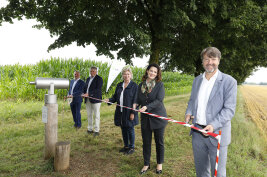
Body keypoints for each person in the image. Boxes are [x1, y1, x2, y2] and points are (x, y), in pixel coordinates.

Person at [185, 47, 237, 177]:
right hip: (197, 133)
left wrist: (213, 125)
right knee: (201, 171)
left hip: (218, 134)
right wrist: (189, 111)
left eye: (213, 59)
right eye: (207, 59)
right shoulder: (197, 80)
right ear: (202, 61)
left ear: (219, 61)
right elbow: (192, 100)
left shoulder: (229, 81)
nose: (210, 62)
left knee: (218, 173)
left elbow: (229, 109)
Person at [134, 63, 168, 175]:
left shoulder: (159, 85)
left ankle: (159, 163)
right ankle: (146, 164)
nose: (153, 73)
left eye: (155, 72)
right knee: (146, 142)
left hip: (158, 118)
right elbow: (138, 99)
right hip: (145, 119)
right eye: (151, 71)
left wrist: (147, 107)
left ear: (157, 74)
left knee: (159, 142)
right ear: (147, 71)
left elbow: (159, 100)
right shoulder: (141, 85)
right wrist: (136, 104)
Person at [104, 67, 139, 155]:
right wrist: (109, 100)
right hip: (120, 111)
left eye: (128, 74)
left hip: (129, 111)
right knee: (123, 128)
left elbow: (136, 100)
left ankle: (132, 147)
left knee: (130, 129)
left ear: (131, 75)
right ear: (122, 75)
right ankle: (126, 146)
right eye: (125, 74)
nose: (126, 76)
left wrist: (133, 112)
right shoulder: (119, 85)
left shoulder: (134, 86)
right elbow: (115, 97)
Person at [82, 66, 103, 137]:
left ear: (96, 72)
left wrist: (89, 94)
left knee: (96, 115)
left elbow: (98, 89)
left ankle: (97, 130)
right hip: (87, 99)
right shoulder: (88, 79)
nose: (92, 72)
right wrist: (83, 93)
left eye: (93, 71)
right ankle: (90, 129)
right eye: (91, 71)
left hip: (96, 99)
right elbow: (85, 88)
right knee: (89, 114)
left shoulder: (99, 79)